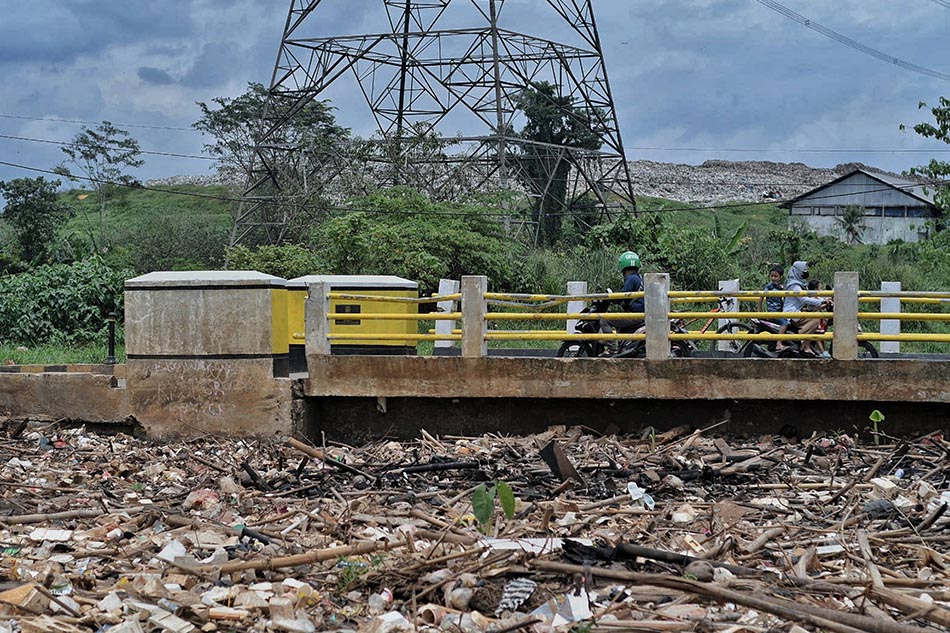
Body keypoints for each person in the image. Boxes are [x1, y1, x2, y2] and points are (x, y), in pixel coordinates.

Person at [783, 260, 826, 356]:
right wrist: (821, 301)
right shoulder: (794, 285)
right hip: (792, 312)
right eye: (804, 270)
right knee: (815, 320)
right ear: (798, 271)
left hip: (798, 310)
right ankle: (802, 340)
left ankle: (806, 344)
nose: (805, 272)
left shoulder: (800, 283)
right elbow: (803, 299)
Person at [759, 264, 788, 351]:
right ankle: (779, 343)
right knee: (785, 322)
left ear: (781, 277)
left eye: (776, 276)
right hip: (772, 312)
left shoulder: (781, 288)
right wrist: (759, 311)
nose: (773, 278)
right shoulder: (769, 287)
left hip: (780, 311)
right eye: (772, 276)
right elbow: (761, 297)